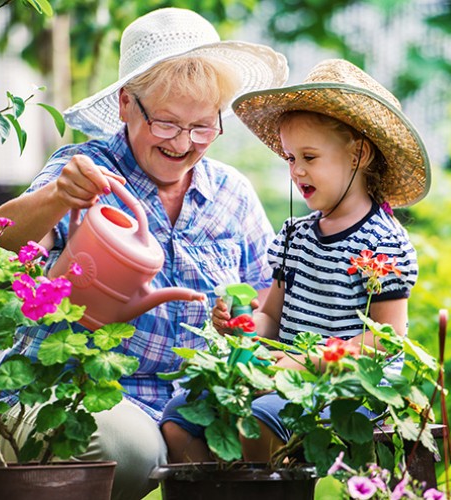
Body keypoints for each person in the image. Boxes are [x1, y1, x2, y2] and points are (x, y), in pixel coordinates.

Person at [0, 7, 288, 500]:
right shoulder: (82, 171)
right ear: (127, 103)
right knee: (123, 450)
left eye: (202, 127)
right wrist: (57, 198)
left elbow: (262, 308)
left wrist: (243, 323)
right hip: (77, 387)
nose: (184, 144)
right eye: (168, 124)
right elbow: (0, 245)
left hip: (191, 402)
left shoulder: (232, 194)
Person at [160, 58, 431, 463]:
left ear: (358, 154)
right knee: (178, 417)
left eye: (309, 157)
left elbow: (385, 341)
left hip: (348, 388)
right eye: (289, 158)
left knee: (255, 420)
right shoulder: (294, 236)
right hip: (283, 378)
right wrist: (243, 326)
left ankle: (263, 486)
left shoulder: (383, 243)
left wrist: (307, 361)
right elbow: (272, 317)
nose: (296, 170)